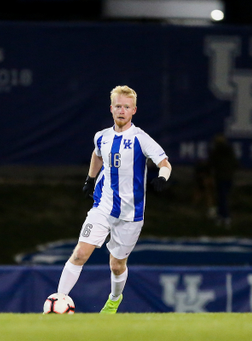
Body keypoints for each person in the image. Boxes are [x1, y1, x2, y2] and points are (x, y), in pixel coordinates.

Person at [55, 85, 172, 313]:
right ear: (111, 108)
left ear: (134, 111)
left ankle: (114, 300)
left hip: (131, 214)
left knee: (116, 265)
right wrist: (90, 179)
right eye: (118, 106)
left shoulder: (140, 138)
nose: (122, 110)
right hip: (103, 207)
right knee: (80, 253)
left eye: (126, 107)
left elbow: (164, 163)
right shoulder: (102, 137)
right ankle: (59, 300)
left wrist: (163, 178)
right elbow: (97, 154)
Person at [207, 134, 239, 228]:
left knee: (221, 198)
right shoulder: (230, 152)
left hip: (220, 177)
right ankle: (224, 216)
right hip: (228, 177)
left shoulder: (216, 152)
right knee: (224, 197)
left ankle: (223, 216)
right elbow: (235, 164)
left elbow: (212, 164)